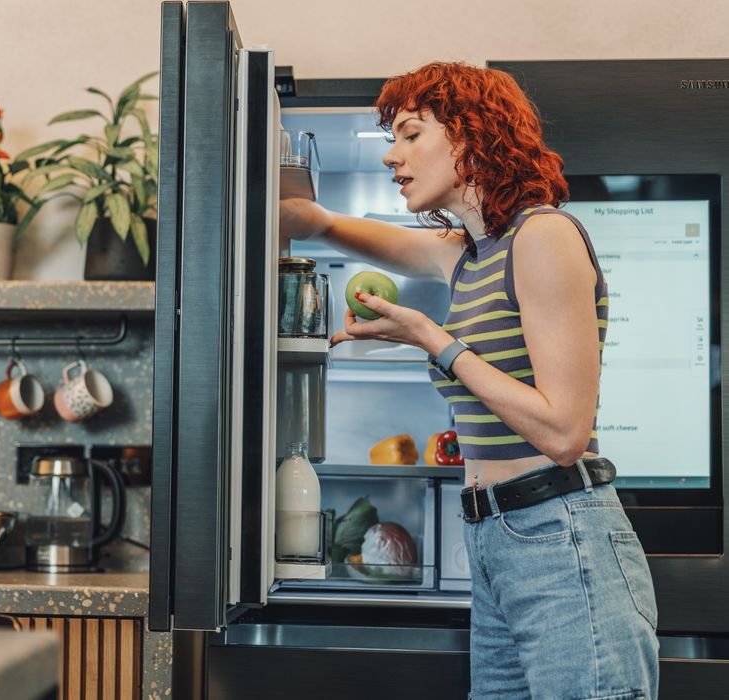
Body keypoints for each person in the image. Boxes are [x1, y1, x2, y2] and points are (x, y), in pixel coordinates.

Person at [280, 62, 659, 698]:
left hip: (560, 533)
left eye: (408, 134)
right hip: (493, 538)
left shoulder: (544, 236)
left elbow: (564, 433)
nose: (392, 157)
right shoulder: (469, 254)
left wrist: (432, 337)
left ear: (468, 134)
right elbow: (322, 225)